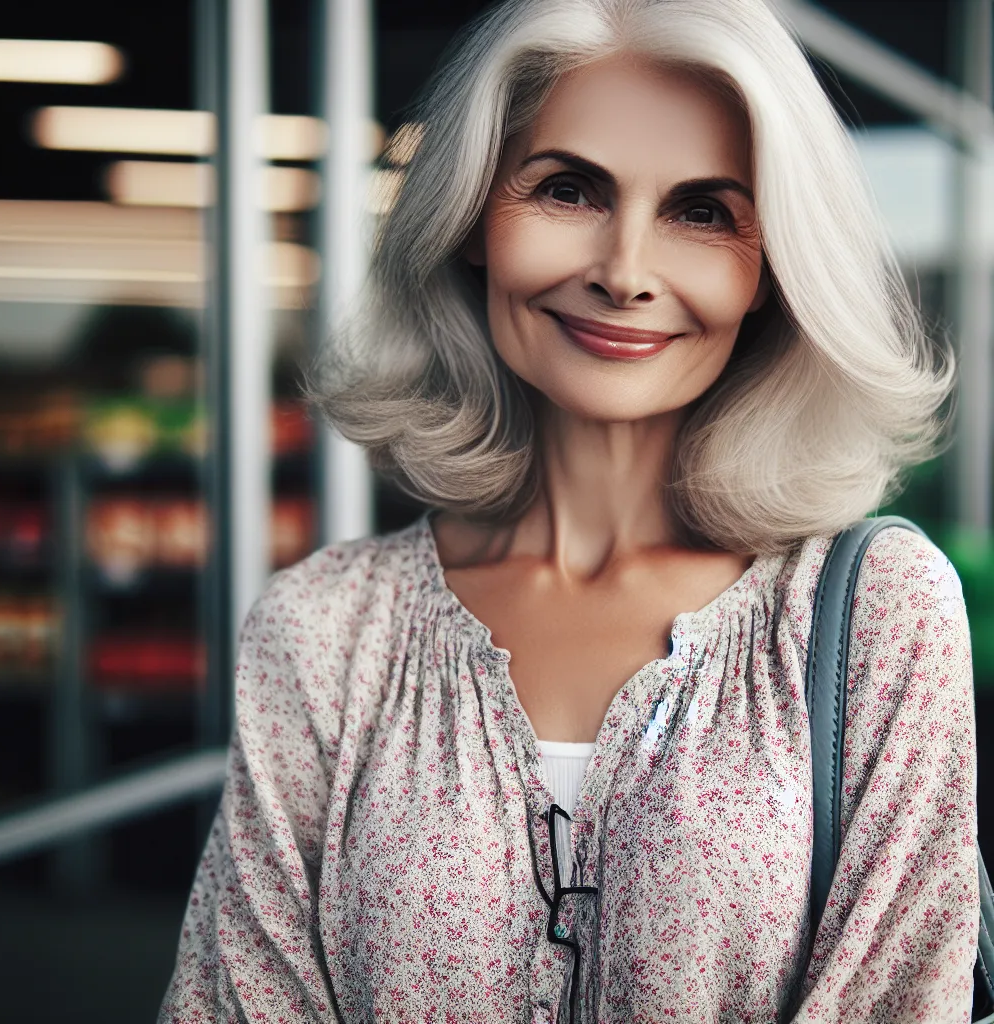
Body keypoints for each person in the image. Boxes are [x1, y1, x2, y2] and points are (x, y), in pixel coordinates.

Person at [158, 0, 979, 1020]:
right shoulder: (323, 629)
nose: (624, 271)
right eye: (570, 189)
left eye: (702, 211)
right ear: (470, 222)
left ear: (770, 270)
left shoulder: (876, 618)